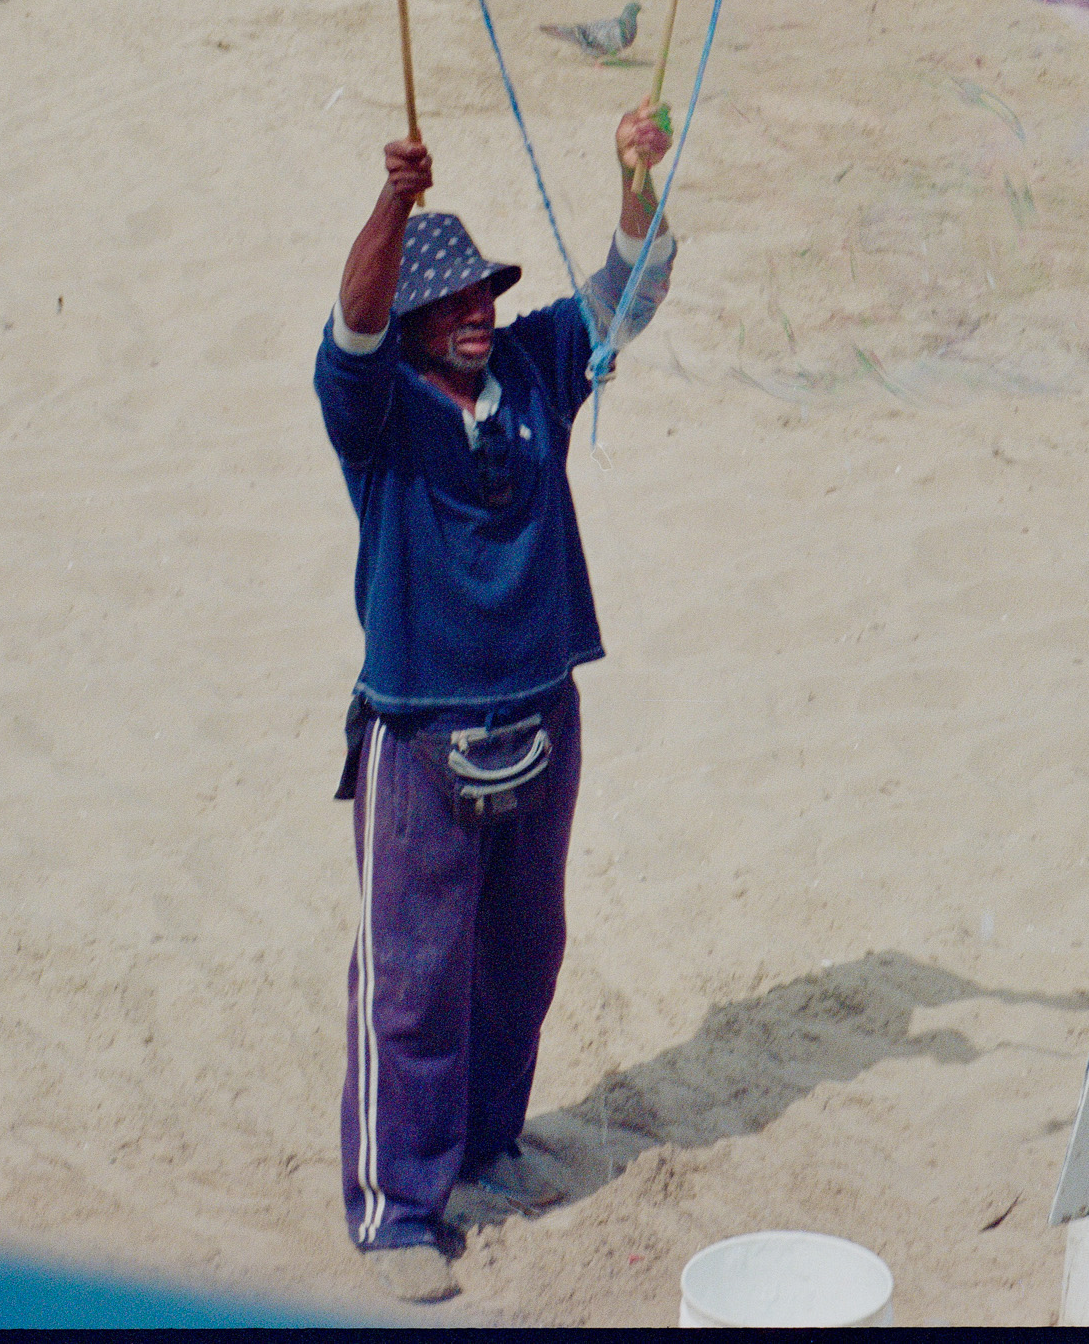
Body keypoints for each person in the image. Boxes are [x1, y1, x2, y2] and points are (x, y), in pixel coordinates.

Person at [318, 105, 677, 1305]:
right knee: (415, 976)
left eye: (485, 292)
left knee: (521, 956)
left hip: (541, 709)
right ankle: (396, 1209)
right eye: (456, 298)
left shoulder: (530, 366)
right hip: (423, 729)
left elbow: (627, 292)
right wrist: (394, 205)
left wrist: (634, 183)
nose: (479, 309)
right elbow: (352, 324)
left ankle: (480, 1154)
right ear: (419, 318)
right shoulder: (374, 413)